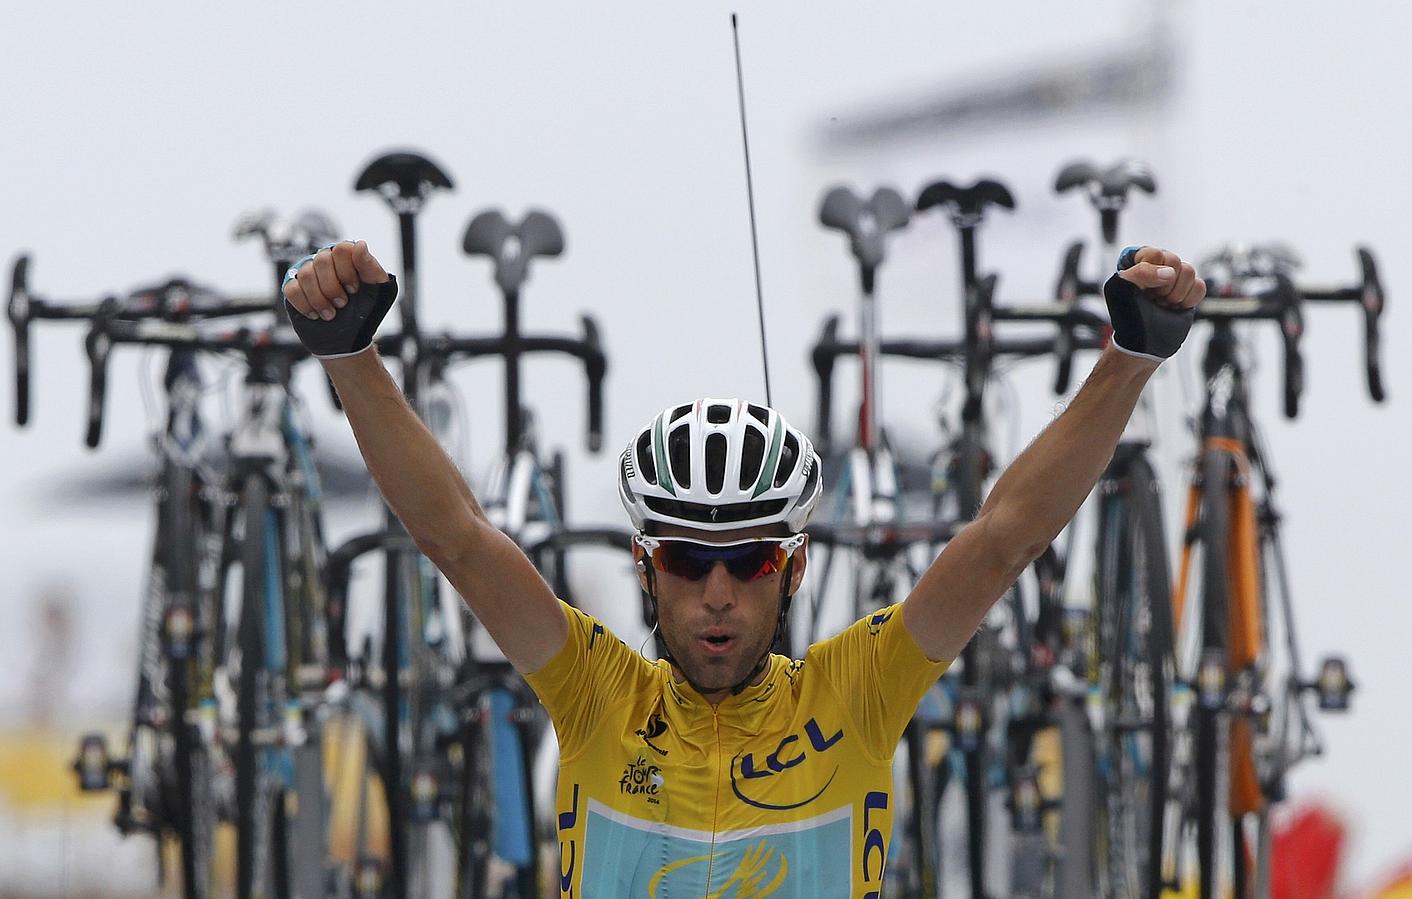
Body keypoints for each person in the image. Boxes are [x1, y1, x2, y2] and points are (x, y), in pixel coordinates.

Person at [282, 240, 1205, 897]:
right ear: (646, 568)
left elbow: (1004, 536)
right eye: (687, 560)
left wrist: (1128, 360)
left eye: (750, 559)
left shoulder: (857, 694)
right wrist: (350, 358)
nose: (717, 593)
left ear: (793, 568)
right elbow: (459, 536)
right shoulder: (597, 692)